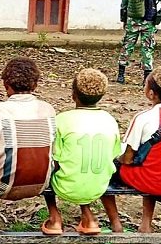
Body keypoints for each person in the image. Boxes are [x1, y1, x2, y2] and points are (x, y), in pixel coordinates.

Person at [101, 66, 161, 233]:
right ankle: (145, 224)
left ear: (151, 94)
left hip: (152, 180)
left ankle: (116, 223)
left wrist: (117, 158)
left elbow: (128, 159)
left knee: (103, 172)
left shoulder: (143, 118)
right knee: (155, 161)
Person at [0, 57, 56, 231]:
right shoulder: (48, 109)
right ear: (35, 84)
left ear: (6, 85)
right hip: (40, 183)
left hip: (2, 186)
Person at [46, 68, 121, 236]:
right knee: (82, 165)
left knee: (48, 168)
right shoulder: (109, 120)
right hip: (99, 186)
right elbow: (113, 154)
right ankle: (89, 217)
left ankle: (54, 217)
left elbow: (54, 158)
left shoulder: (62, 119)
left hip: (65, 187)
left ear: (73, 95)